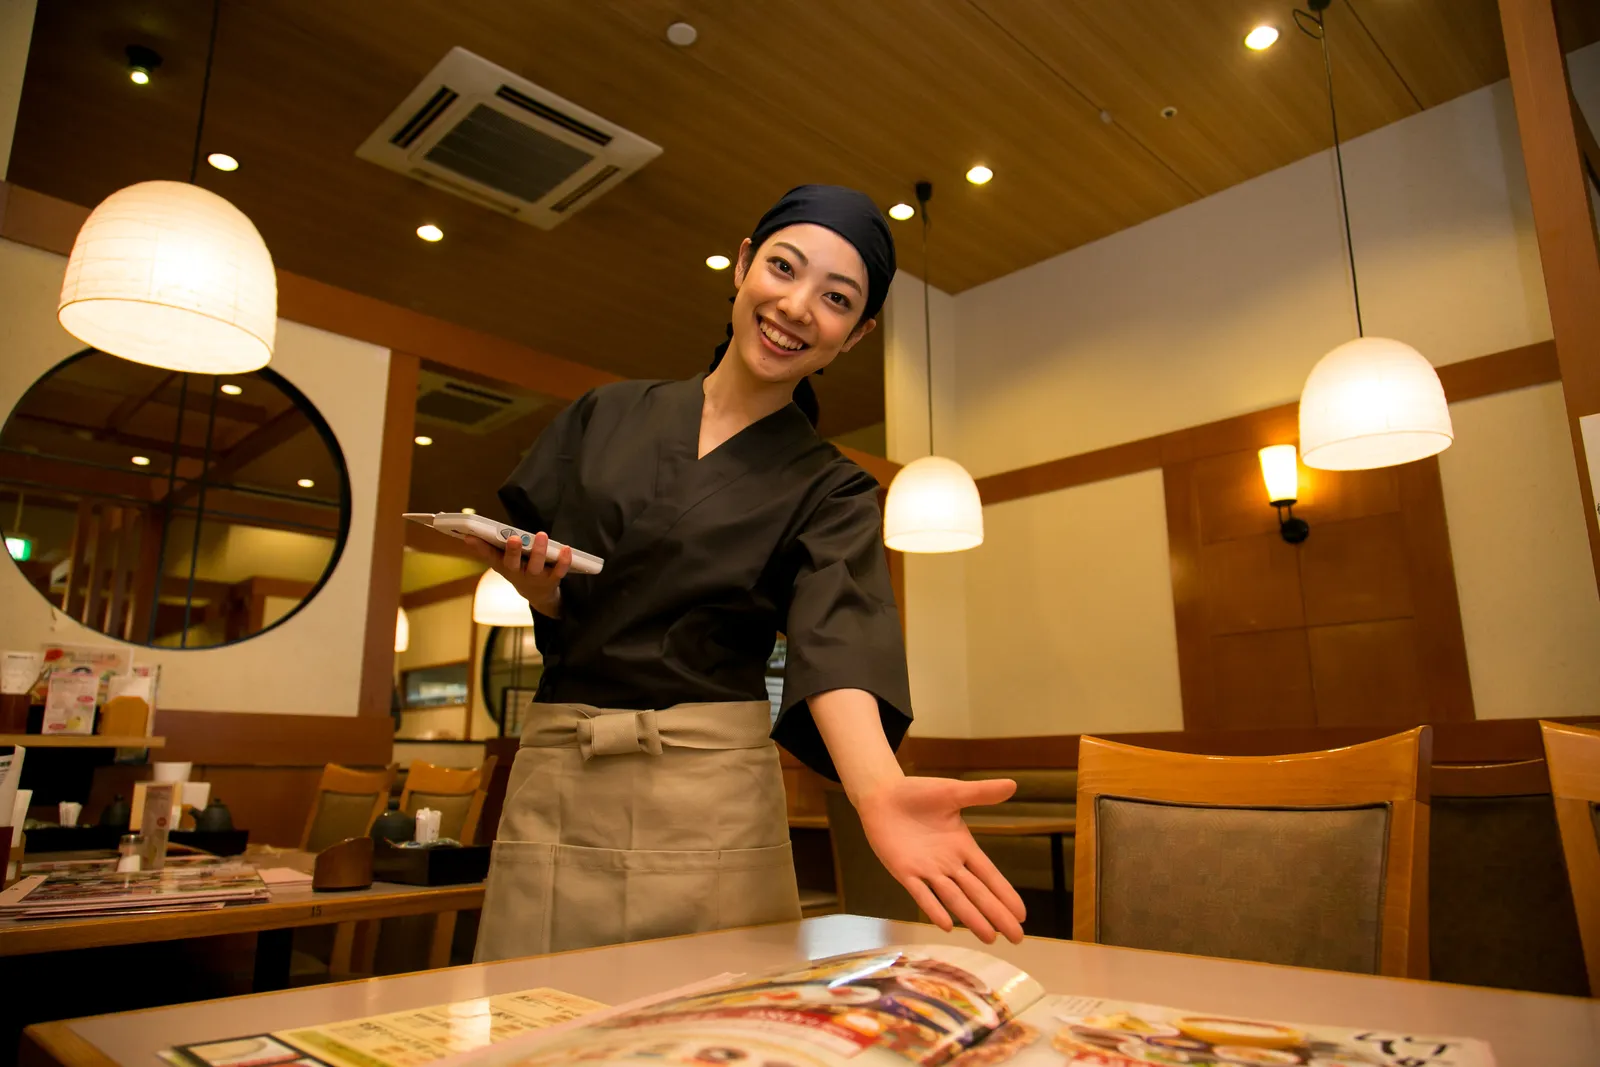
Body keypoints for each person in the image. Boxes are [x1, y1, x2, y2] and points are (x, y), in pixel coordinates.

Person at [469, 185, 1025, 961]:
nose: (797, 306)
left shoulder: (831, 489)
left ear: (854, 336)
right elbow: (571, 597)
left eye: (835, 298)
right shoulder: (605, 414)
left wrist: (876, 788)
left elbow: (838, 641)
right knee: (533, 1024)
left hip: (710, 795)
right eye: (783, 268)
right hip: (562, 772)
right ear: (741, 267)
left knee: (708, 1029)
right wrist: (543, 590)